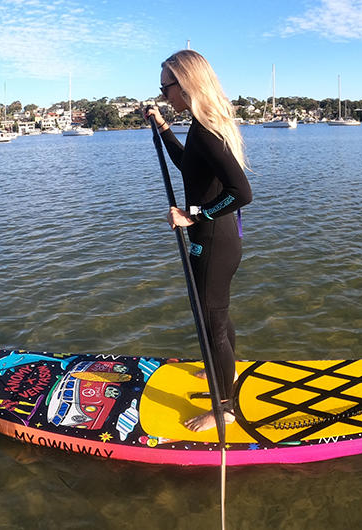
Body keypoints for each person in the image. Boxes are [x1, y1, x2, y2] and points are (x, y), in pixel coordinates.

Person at [145, 50, 252, 432]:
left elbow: (242, 192)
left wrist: (196, 216)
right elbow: (188, 166)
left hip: (214, 240)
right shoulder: (198, 128)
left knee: (212, 325)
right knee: (217, 318)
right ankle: (224, 375)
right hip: (213, 238)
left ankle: (225, 408)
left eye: (165, 88)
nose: (163, 97)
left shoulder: (206, 131)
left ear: (185, 83)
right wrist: (162, 128)